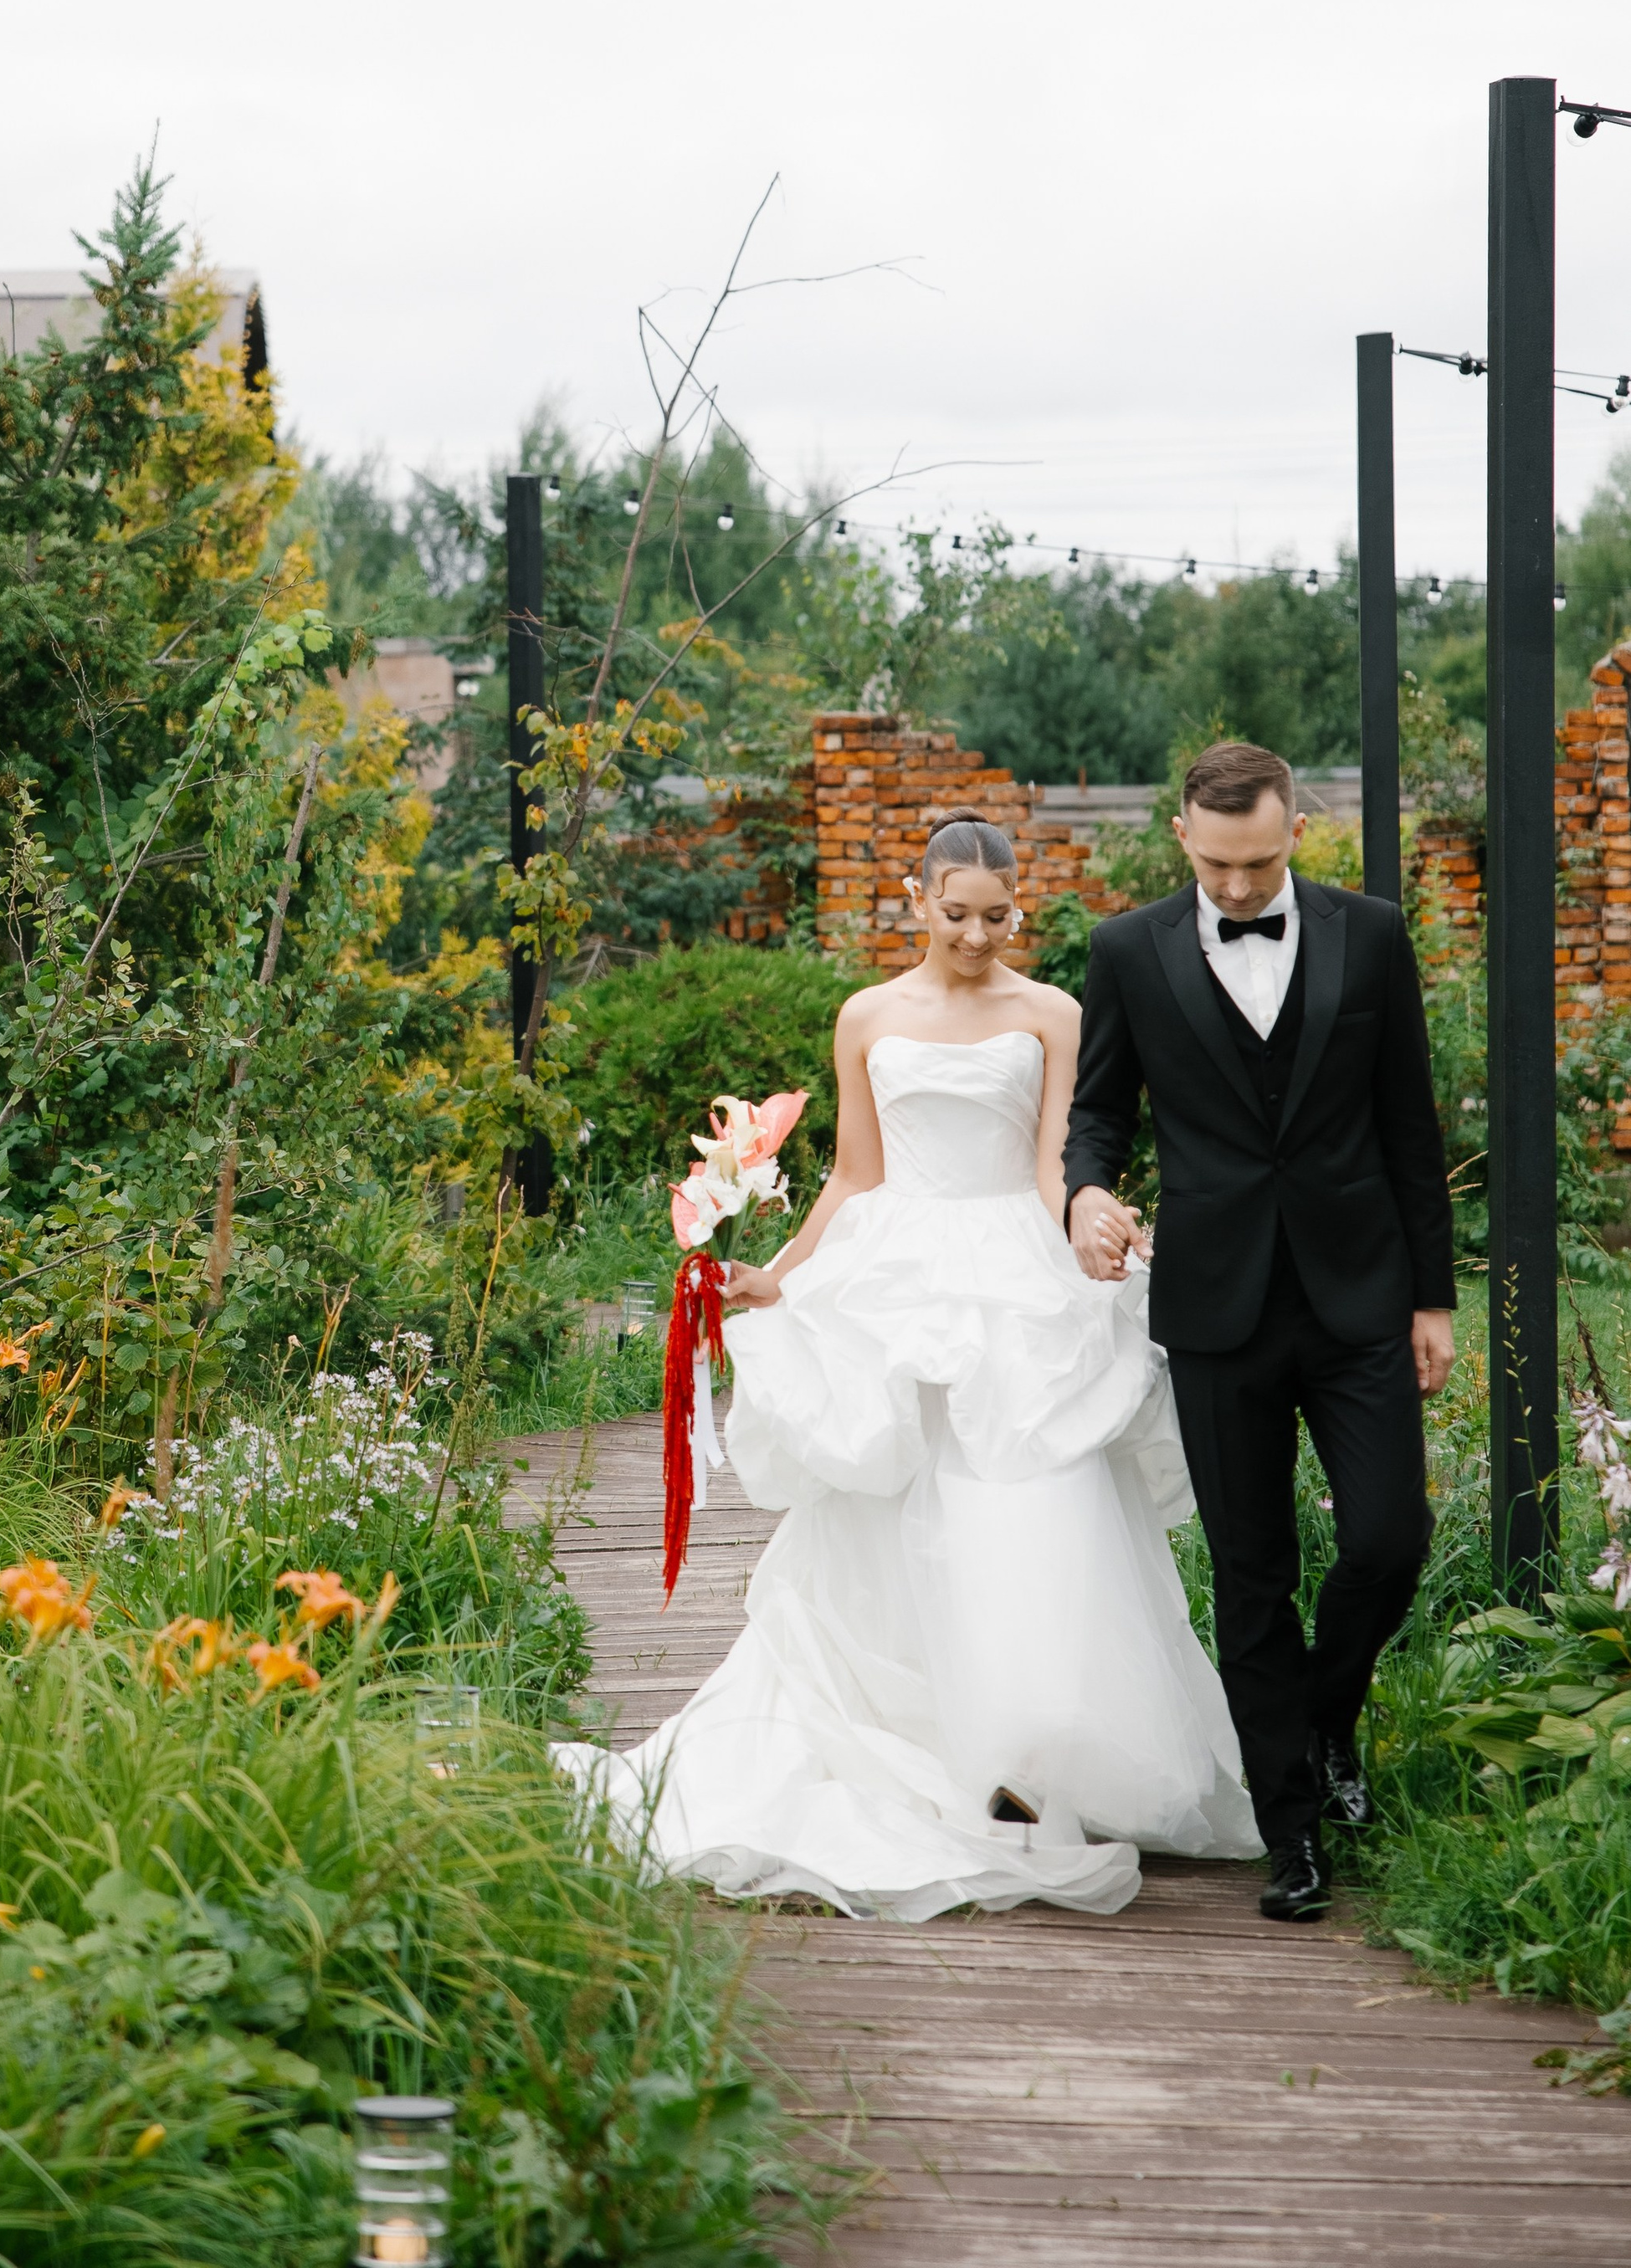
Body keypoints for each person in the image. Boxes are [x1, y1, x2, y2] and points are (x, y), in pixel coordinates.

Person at [552, 811, 1257, 1920]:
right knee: (893, 1507)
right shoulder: (868, 1016)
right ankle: (917, 1747)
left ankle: (1024, 1768)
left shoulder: (1053, 1014)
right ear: (916, 899)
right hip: (899, 1269)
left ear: (1017, 907)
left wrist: (1089, 1235)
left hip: (1012, 1265)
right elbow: (852, 1176)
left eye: (998, 916)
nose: (977, 936)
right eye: (957, 914)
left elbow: (1053, 1162)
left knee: (1032, 1501)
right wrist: (778, 1274)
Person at [1061, 738, 1454, 1924]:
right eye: (1219, 865)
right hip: (1218, 1305)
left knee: (1390, 1537)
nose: (1238, 888)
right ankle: (1291, 1833)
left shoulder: (1369, 933)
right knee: (1252, 1574)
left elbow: (1409, 1124)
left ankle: (1328, 1715)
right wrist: (1084, 1192)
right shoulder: (1128, 950)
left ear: (1296, 834)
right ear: (1182, 835)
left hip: (1359, 1295)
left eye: (1260, 864)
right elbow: (1095, 1116)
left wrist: (1432, 1297)